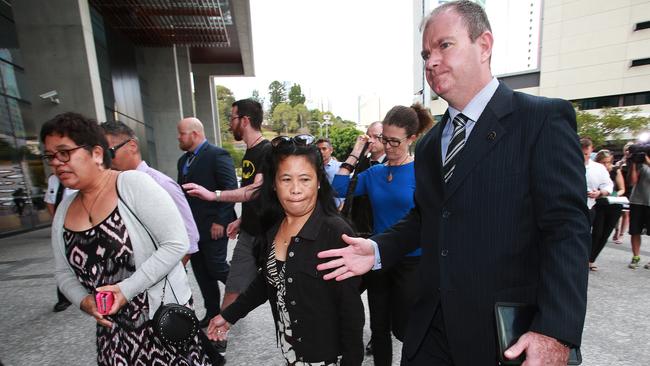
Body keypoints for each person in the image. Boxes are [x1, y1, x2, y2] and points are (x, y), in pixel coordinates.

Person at [317, 2, 590, 365]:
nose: (430, 62)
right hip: (433, 331)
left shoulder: (540, 120)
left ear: (484, 45)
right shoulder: (431, 144)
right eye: (425, 53)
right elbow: (425, 218)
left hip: (506, 337)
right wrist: (379, 249)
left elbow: (567, 229)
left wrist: (556, 331)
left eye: (445, 45)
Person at [41, 112, 212, 365]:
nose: (57, 163)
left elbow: (177, 242)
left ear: (97, 153)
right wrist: (84, 301)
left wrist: (125, 290)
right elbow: (63, 272)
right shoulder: (64, 210)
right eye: (50, 156)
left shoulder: (131, 184)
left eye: (64, 153)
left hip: (160, 324)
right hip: (111, 334)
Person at [206, 134, 364, 365]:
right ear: (274, 183)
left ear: (319, 181)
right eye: (286, 179)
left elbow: (351, 312)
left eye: (305, 179)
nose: (295, 189)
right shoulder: (274, 226)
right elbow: (270, 280)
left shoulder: (335, 233)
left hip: (326, 358)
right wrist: (229, 315)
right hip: (291, 350)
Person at [332, 104, 432, 366]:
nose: (387, 146)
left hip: (412, 262)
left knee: (405, 328)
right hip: (376, 257)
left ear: (412, 139)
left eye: (394, 141)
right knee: (379, 329)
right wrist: (356, 151)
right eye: (383, 139)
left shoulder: (422, 172)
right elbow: (338, 186)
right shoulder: (375, 173)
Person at [183, 99, 271, 313]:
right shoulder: (250, 151)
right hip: (249, 233)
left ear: (245, 120)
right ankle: (219, 333)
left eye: (232, 118)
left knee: (278, 290)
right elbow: (258, 196)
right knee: (234, 285)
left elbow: (255, 191)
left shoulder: (267, 150)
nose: (230, 124)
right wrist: (242, 220)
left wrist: (213, 195)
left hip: (270, 235)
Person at [101, 120, 199, 265]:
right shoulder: (110, 187)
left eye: (109, 153)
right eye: (99, 155)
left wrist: (167, 278)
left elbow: (190, 238)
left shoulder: (162, 184)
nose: (104, 161)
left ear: (132, 146)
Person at [177, 117, 238, 326]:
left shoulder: (217, 155)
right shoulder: (183, 161)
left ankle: (241, 298)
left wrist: (221, 221)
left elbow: (230, 188)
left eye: (181, 133)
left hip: (214, 226)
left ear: (194, 134)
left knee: (216, 267)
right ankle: (212, 313)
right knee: (202, 273)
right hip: (194, 229)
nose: (178, 137)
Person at [44, 174, 77, 312]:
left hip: (81, 221)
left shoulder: (79, 175)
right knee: (64, 260)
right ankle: (64, 298)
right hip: (64, 226)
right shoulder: (53, 179)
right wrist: (57, 220)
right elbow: (50, 201)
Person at [589, 149, 625, 270]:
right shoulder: (594, 170)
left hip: (614, 204)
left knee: (605, 235)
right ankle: (588, 257)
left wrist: (613, 194)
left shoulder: (615, 171)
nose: (606, 165)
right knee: (597, 233)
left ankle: (592, 259)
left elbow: (622, 189)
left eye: (608, 162)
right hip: (599, 204)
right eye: (603, 162)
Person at [627, 146, 650, 269]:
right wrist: (634, 165)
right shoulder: (640, 165)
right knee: (635, 231)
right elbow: (632, 182)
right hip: (637, 201)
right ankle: (636, 257)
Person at [614, 142, 634, 244]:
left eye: (629, 150)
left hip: (629, 190)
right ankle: (616, 230)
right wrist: (620, 164)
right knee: (616, 210)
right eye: (626, 149)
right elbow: (615, 173)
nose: (627, 152)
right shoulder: (620, 161)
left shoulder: (635, 163)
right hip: (618, 189)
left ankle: (621, 234)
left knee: (626, 212)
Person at [316, 138, 344, 208]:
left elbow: (347, 189)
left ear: (331, 150)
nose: (321, 152)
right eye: (318, 150)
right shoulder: (313, 168)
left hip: (338, 210)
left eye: (324, 149)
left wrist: (341, 207)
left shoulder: (341, 167)